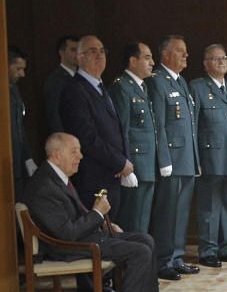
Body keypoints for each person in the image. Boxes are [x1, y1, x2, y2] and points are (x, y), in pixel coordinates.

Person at [23, 133, 171, 292]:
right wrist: (97, 213)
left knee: (145, 239)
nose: (80, 156)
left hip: (82, 238)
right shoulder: (44, 186)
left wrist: (101, 221)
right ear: (56, 155)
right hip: (67, 247)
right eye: (74, 151)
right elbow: (67, 234)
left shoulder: (56, 176)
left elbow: (72, 217)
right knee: (139, 251)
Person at [59, 35, 133, 221]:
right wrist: (119, 162)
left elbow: (117, 130)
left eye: (102, 51)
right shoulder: (75, 90)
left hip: (112, 174)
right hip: (93, 176)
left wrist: (124, 161)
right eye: (92, 51)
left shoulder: (101, 87)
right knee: (98, 234)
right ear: (79, 57)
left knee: (112, 230)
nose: (99, 55)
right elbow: (87, 137)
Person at [147, 35, 200, 280]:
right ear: (166, 54)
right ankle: (162, 260)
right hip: (172, 160)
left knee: (181, 212)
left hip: (186, 158)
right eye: (180, 51)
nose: (185, 55)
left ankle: (176, 256)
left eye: (185, 51)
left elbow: (188, 127)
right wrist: (164, 159)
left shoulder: (180, 82)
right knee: (167, 213)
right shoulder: (157, 81)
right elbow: (159, 124)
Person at [190, 44, 227, 267]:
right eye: (215, 59)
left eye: (224, 57)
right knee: (209, 206)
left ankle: (226, 247)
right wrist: (196, 160)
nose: (221, 61)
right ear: (206, 64)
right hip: (210, 160)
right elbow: (193, 127)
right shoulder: (197, 88)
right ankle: (208, 250)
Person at [108, 42, 167, 235]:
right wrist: (125, 165)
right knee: (133, 221)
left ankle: (141, 262)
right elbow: (121, 130)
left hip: (147, 166)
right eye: (147, 57)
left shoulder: (142, 87)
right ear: (133, 61)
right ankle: (131, 263)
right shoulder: (122, 87)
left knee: (143, 221)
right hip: (135, 166)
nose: (152, 62)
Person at [8, 45, 35, 202]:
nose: (22, 74)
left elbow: (20, 128)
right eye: (18, 69)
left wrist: (28, 158)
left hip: (17, 163)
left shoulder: (14, 90)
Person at [43, 34, 79, 134]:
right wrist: (61, 138)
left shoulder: (81, 78)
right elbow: (53, 115)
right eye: (73, 50)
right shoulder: (56, 79)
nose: (77, 54)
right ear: (61, 53)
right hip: (67, 137)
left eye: (78, 50)